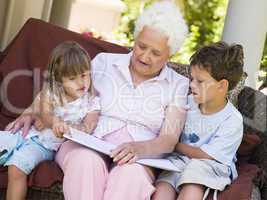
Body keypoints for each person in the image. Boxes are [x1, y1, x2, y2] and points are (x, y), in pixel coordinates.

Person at [5, 1, 189, 200]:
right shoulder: (104, 62)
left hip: (139, 154)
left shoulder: (178, 84)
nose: (145, 56)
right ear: (134, 40)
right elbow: (62, 88)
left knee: (130, 176)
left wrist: (140, 148)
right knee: (85, 162)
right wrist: (31, 110)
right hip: (87, 140)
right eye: (141, 46)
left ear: (171, 54)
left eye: (155, 53)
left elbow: (168, 139)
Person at [1, 41, 100, 200]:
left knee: (16, 167)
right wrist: (54, 122)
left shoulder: (91, 102)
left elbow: (89, 126)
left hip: (44, 145)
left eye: (84, 75)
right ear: (59, 80)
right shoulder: (51, 93)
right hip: (25, 134)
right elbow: (45, 114)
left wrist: (68, 128)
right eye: (73, 78)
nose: (81, 82)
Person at [153, 41, 244, 200]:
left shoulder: (232, 120)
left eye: (200, 81)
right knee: (162, 188)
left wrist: (173, 144)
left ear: (222, 86)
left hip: (209, 165)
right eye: (192, 78)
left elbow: (206, 155)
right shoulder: (187, 102)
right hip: (179, 161)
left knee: (192, 186)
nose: (191, 85)